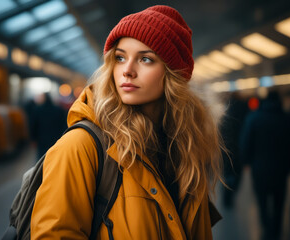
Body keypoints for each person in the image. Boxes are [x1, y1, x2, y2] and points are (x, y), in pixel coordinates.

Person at [31, 5, 224, 239]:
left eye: (145, 59)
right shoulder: (81, 146)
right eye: (120, 58)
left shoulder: (185, 147)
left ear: (174, 74)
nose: (127, 71)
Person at [240, 91, 290, 240]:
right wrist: (288, 167)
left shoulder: (254, 119)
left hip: (259, 170)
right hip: (280, 171)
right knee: (279, 203)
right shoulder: (287, 119)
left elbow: (245, 143)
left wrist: (247, 162)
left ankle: (267, 229)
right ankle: (276, 231)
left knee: (262, 202)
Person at [30, 92, 68, 158]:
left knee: (42, 160)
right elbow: (64, 125)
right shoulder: (59, 110)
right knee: (55, 158)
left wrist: (33, 139)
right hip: (56, 140)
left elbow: (33, 126)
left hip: (42, 141)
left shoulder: (38, 110)